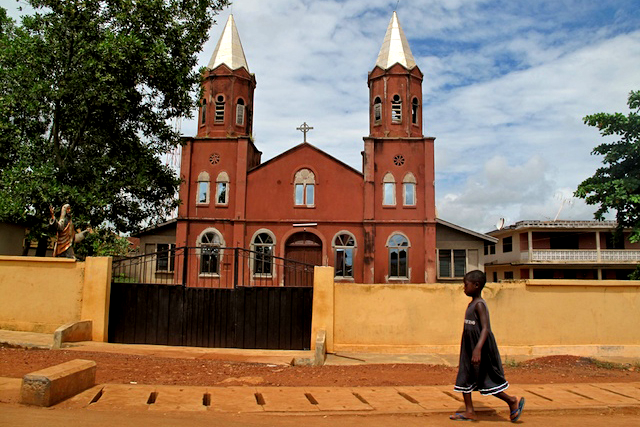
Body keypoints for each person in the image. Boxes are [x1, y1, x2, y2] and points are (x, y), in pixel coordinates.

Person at [450, 270, 524, 422]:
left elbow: (485, 328)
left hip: (480, 348)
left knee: (485, 381)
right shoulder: (471, 304)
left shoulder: (479, 305)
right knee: (465, 376)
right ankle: (469, 411)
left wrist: (477, 349)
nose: (464, 288)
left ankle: (511, 401)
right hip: (468, 347)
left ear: (476, 285)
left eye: (466, 285)